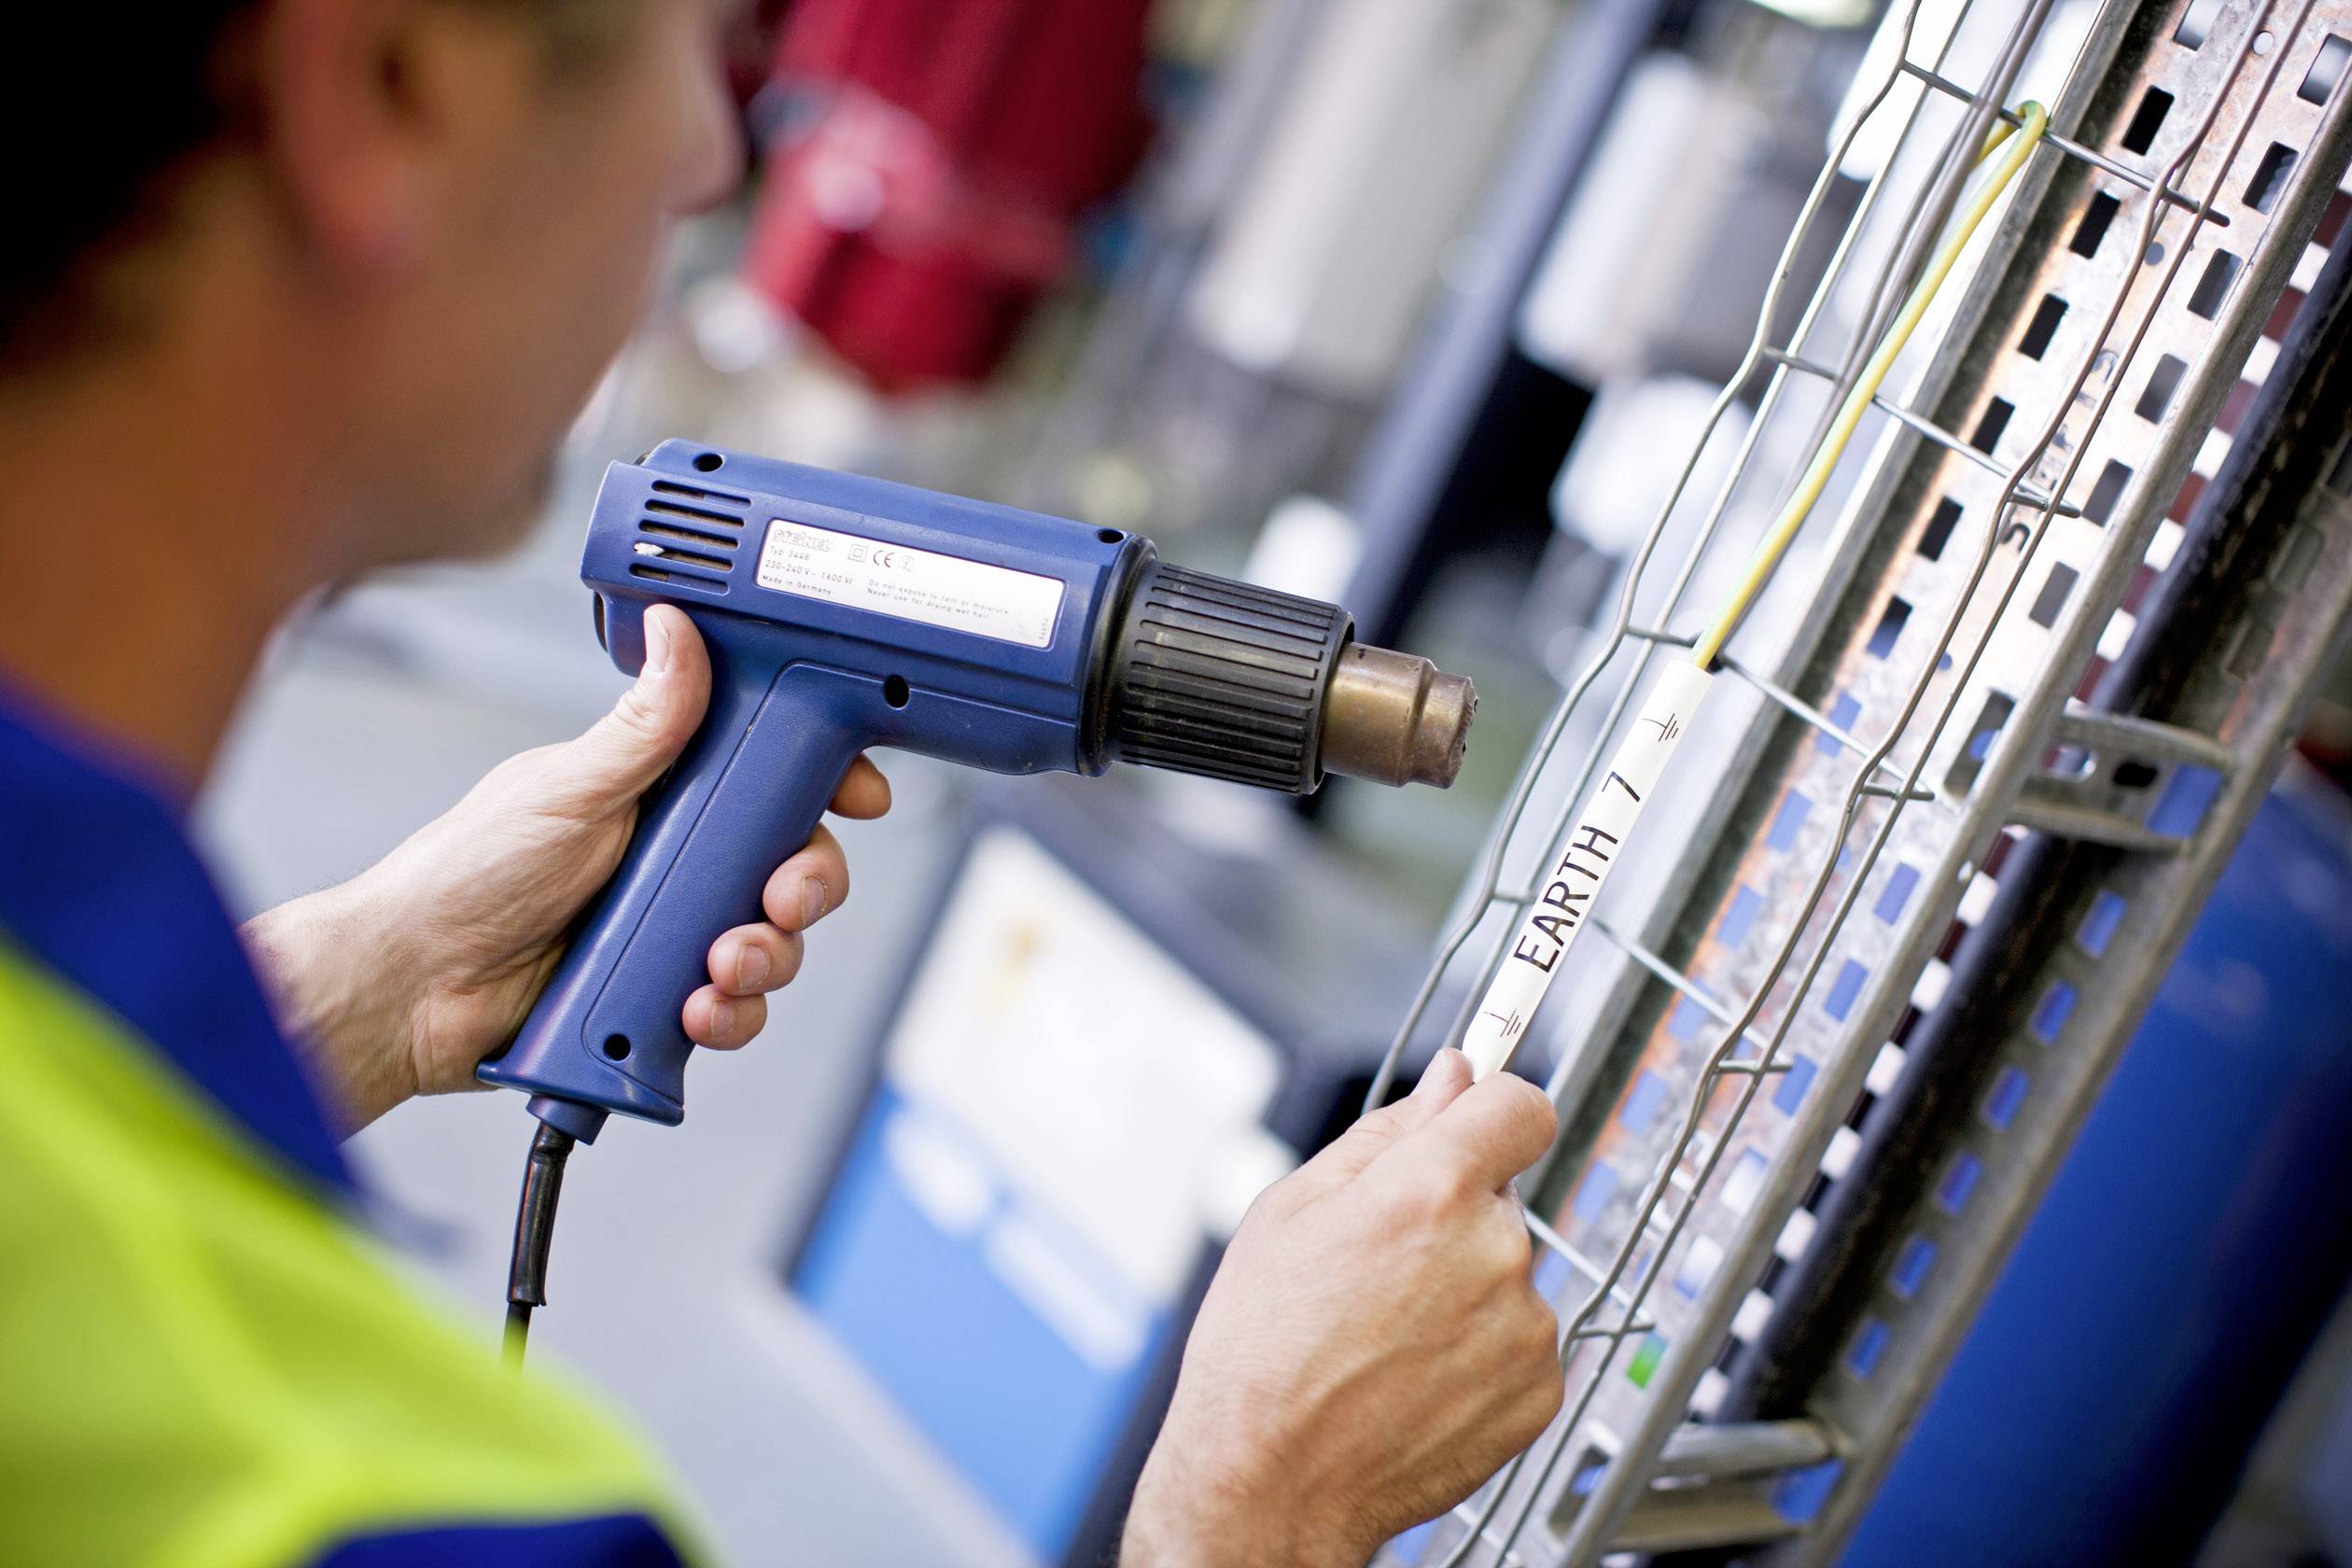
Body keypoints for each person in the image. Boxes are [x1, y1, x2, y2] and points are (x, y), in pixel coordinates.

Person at [0, 3, 1566, 1564]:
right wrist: (1257, 1502)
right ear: (384, 90)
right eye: (685, 44)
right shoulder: (371, 1509)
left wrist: (366, 987)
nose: (703, 158)